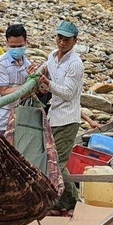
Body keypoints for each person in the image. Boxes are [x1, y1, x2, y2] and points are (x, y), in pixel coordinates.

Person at [40, 21, 85, 212]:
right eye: (59, 38)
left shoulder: (75, 64)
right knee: (55, 160)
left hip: (67, 119)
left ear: (74, 41)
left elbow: (67, 92)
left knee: (56, 163)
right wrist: (37, 73)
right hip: (53, 116)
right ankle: (69, 198)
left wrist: (47, 83)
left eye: (66, 40)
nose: (62, 43)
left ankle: (68, 201)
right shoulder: (52, 56)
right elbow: (43, 68)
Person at [0, 24, 35, 135]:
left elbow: (26, 95)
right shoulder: (0, 64)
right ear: (7, 43)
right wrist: (28, 84)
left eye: (20, 46)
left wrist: (34, 79)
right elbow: (4, 92)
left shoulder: (27, 64)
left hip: (15, 121)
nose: (16, 49)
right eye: (13, 46)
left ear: (26, 42)